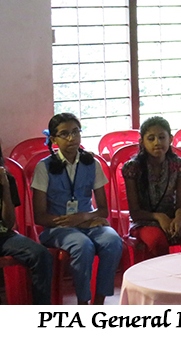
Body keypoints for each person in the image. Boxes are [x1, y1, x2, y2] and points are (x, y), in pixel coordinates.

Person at [31, 113, 122, 305]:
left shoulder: (92, 163)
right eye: (64, 134)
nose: (71, 138)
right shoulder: (44, 167)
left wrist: (84, 218)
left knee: (113, 240)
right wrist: (68, 222)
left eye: (75, 132)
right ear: (53, 139)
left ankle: (99, 302)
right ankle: (83, 302)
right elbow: (39, 216)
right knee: (82, 245)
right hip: (56, 228)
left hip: (88, 222)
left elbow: (103, 210)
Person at [122, 116, 181, 258]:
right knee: (156, 239)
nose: (157, 142)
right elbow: (135, 213)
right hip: (144, 222)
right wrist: (159, 217)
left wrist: (179, 218)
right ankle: (160, 272)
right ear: (142, 142)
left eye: (162, 137)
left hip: (172, 218)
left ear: (170, 139)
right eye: (151, 138)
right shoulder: (133, 168)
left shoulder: (180, 165)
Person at [0, 132, 53, 304]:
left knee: (41, 255)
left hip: (2, 236)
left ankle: (40, 310)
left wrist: (5, 187)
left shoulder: (5, 177)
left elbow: (8, 224)